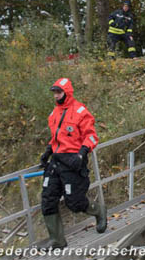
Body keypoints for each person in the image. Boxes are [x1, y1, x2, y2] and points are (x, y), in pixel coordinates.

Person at [39, 78, 107, 248]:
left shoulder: (80, 111)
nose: (56, 96)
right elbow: (57, 136)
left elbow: (91, 136)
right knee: (47, 199)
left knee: (74, 202)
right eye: (54, 93)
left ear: (67, 92)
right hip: (56, 161)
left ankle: (99, 211)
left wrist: (82, 153)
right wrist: (48, 151)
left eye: (59, 92)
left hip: (72, 161)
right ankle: (57, 239)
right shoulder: (54, 113)